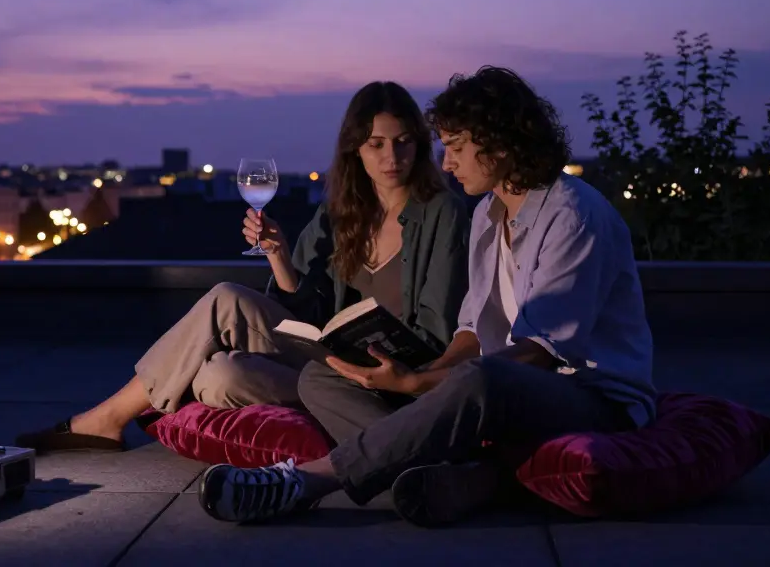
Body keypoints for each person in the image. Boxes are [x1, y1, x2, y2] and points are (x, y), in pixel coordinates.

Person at [196, 66, 657, 528]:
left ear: (500, 143)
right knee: (323, 378)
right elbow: (474, 330)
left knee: (479, 379)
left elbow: (541, 353)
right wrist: (415, 375)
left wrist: (422, 386)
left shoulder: (572, 215)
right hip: (495, 384)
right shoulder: (489, 215)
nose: (448, 163)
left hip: (589, 396)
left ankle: (303, 482)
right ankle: (443, 476)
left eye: (456, 148)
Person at [15, 81, 472, 453]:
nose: (392, 158)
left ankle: (104, 420)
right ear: (356, 149)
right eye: (376, 144)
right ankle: (107, 420)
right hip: (324, 358)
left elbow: (435, 334)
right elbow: (302, 310)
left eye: (403, 142)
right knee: (226, 304)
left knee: (221, 376)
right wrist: (278, 254)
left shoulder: (442, 213)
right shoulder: (342, 212)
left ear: (419, 144)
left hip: (381, 380)